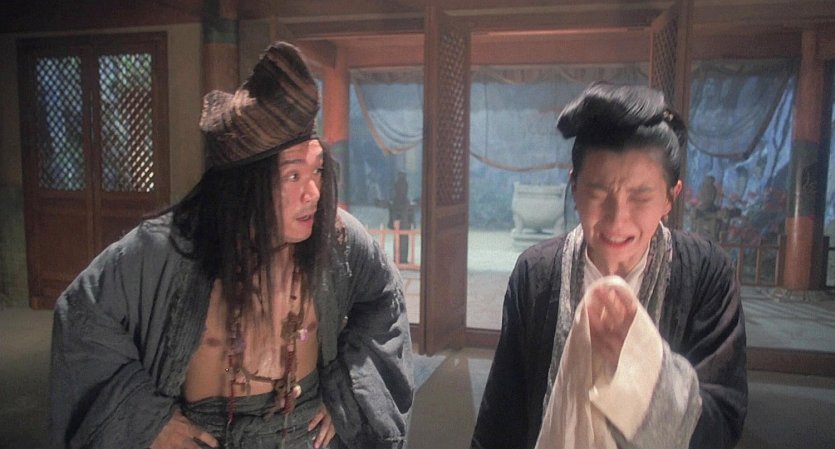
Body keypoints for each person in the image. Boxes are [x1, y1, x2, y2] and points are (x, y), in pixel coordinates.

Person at [49, 41, 414, 449]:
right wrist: (148, 420)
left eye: (317, 170)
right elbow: (83, 314)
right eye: (293, 176)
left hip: (304, 428)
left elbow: (386, 297)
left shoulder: (337, 239)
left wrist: (348, 392)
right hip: (204, 433)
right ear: (246, 185)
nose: (313, 193)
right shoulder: (171, 246)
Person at [471, 83, 747, 449]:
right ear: (574, 187)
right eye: (598, 192)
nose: (617, 219)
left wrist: (639, 368)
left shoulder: (705, 273)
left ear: (671, 197)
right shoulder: (536, 273)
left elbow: (722, 425)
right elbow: (503, 414)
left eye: (640, 196)